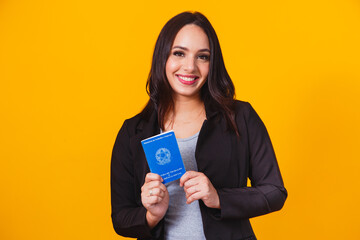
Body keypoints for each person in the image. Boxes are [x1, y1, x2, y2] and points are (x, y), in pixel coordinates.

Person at [111, 11, 287, 240]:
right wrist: (151, 215)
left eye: (202, 57)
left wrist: (219, 198)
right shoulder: (132, 132)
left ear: (212, 64)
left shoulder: (240, 117)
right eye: (179, 53)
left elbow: (274, 191)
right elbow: (120, 218)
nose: (190, 67)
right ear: (162, 57)